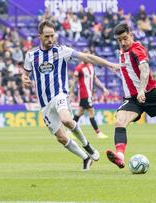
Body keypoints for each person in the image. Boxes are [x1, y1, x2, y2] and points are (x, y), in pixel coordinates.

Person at [22, 20, 120, 170]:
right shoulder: (31, 55)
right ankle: (86, 158)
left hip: (60, 94)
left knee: (67, 119)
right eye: (47, 36)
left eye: (52, 36)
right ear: (39, 36)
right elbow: (25, 73)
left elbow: (86, 57)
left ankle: (88, 146)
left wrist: (109, 64)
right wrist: (25, 79)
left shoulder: (62, 51)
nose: (50, 39)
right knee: (61, 138)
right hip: (45, 103)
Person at [105, 23, 156, 169]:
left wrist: (141, 90)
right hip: (132, 100)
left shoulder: (137, 49)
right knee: (120, 122)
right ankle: (119, 157)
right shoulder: (121, 52)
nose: (123, 43)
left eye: (125, 38)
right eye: (119, 40)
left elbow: (145, 70)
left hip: (150, 95)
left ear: (131, 35)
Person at [71, 52, 109, 139]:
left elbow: (95, 79)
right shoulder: (79, 68)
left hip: (89, 94)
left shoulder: (91, 66)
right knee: (91, 112)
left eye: (87, 56)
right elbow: (74, 81)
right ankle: (98, 133)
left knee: (79, 112)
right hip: (84, 94)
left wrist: (103, 88)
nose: (86, 58)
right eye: (84, 56)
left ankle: (69, 131)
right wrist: (72, 92)